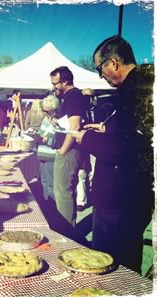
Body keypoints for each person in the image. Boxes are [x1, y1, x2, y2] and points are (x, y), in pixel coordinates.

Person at [72, 35, 154, 273]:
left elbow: (125, 150)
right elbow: (137, 137)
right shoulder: (143, 88)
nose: (100, 75)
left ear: (114, 63)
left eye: (100, 68)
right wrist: (105, 129)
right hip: (132, 199)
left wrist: (86, 138)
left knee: (110, 270)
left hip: (120, 202)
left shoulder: (136, 92)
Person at [49, 66, 90, 226]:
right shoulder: (72, 96)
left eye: (56, 83)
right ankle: (69, 229)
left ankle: (66, 232)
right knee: (66, 191)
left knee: (63, 193)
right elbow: (70, 124)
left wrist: (62, 150)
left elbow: (75, 125)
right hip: (72, 150)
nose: (54, 87)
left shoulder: (73, 96)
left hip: (70, 151)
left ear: (65, 81)